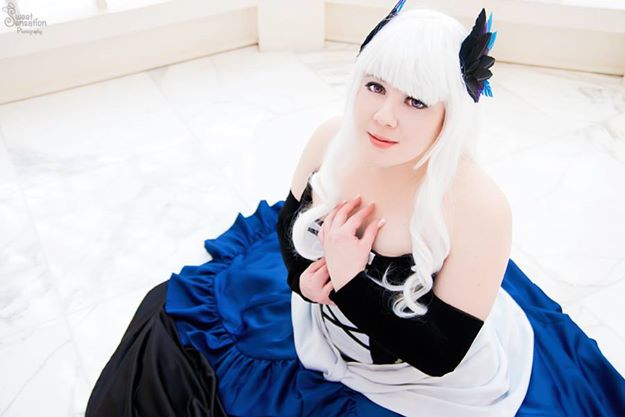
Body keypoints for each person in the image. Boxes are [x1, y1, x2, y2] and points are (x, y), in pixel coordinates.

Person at [85, 3, 625, 417]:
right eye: (375, 86)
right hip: (320, 328)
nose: (383, 116)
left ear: (451, 114)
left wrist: (349, 281)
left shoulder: (480, 208)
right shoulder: (332, 138)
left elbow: (440, 355)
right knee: (165, 321)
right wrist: (303, 279)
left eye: (415, 101)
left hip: (420, 379)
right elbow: (288, 222)